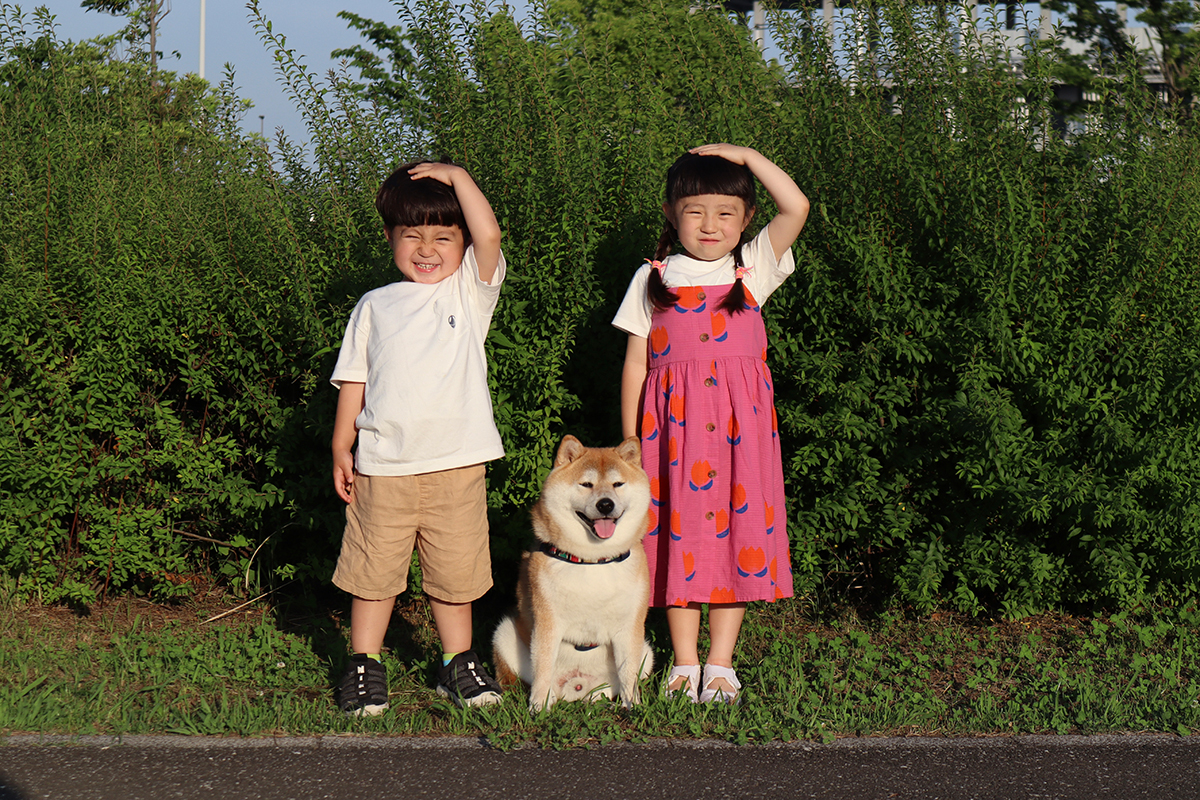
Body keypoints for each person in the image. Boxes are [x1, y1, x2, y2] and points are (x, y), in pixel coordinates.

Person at [612, 144, 810, 704]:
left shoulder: (752, 270)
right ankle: (684, 663)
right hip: (667, 436)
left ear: (747, 220)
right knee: (675, 539)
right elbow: (634, 362)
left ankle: (720, 665)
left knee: (737, 538)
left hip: (740, 438)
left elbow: (796, 207)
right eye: (695, 210)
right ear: (672, 213)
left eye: (727, 212)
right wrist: (630, 443)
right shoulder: (651, 277)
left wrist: (746, 155)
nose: (710, 224)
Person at [329, 161, 506, 715]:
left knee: (455, 575)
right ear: (390, 238)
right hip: (384, 467)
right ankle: (364, 665)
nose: (427, 249)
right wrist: (341, 445)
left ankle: (459, 665)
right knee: (373, 573)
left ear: (461, 244)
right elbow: (354, 379)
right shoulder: (374, 305)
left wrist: (456, 175)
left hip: (457, 466)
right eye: (413, 235)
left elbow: (491, 233)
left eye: (443, 237)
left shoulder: (468, 296)